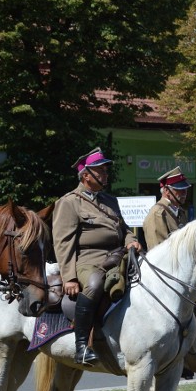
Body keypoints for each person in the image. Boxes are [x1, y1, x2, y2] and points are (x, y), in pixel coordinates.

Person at [53, 148, 141, 365]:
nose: (105, 174)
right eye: (100, 171)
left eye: (105, 170)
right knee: (94, 283)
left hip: (118, 256)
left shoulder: (110, 201)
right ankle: (82, 346)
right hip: (88, 260)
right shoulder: (69, 202)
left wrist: (130, 240)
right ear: (86, 176)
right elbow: (63, 243)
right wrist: (69, 277)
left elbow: (124, 228)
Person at [143, 166, 190, 249]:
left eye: (185, 189)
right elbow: (158, 251)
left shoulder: (180, 212)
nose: (184, 192)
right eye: (179, 189)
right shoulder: (157, 214)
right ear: (166, 191)